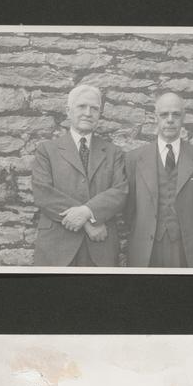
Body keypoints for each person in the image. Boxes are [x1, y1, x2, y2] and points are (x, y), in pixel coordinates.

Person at [32, 85, 128, 266]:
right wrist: (88, 222)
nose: (88, 113)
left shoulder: (113, 152)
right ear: (68, 111)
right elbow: (42, 193)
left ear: (99, 114)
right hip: (57, 247)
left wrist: (86, 211)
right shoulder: (47, 150)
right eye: (81, 106)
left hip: (100, 247)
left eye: (94, 108)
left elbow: (120, 191)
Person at [125, 92, 193, 268]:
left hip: (187, 249)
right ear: (155, 117)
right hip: (146, 248)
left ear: (184, 118)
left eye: (176, 114)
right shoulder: (134, 159)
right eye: (164, 114)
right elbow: (129, 210)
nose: (170, 119)